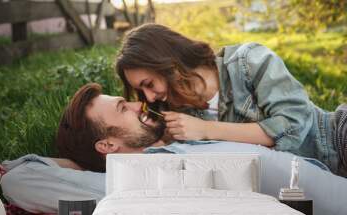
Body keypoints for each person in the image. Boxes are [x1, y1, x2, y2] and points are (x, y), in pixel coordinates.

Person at [0, 83, 347, 215]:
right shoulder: (131, 183)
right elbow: (17, 179)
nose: (138, 103)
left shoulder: (176, 146)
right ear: (106, 146)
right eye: (123, 108)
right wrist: (77, 164)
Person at [115, 23, 347, 177]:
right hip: (313, 186)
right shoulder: (180, 119)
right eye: (141, 91)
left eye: (148, 84)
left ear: (169, 63)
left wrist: (208, 129)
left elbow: (293, 126)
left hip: (337, 139)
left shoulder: (247, 62)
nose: (149, 97)